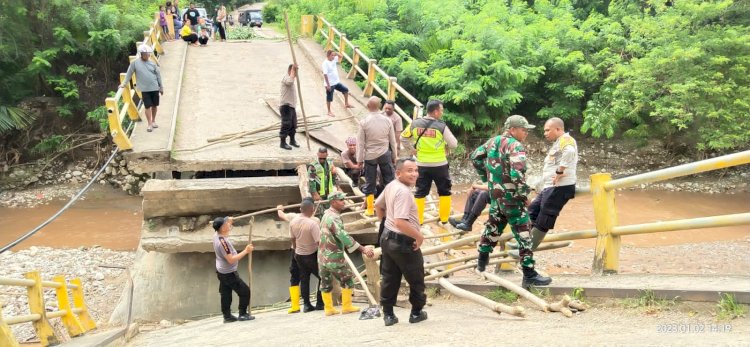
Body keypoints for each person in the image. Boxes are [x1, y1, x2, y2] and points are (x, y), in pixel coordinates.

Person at [471, 115, 551, 288]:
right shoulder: (515, 146)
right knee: (524, 234)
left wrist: (487, 178)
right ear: (513, 129)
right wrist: (525, 196)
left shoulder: (492, 142)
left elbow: (475, 157)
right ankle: (529, 274)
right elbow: (517, 174)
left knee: (493, 227)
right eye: (524, 130)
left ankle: (481, 263)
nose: (526, 133)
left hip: (496, 196)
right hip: (513, 199)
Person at [509, 117, 578, 259]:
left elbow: (570, 152)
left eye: (548, 130)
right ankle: (523, 244)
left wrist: (560, 171)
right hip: (549, 187)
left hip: (560, 187)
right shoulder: (558, 143)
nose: (545, 133)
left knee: (545, 218)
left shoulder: (566, 140)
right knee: (532, 211)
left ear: (558, 129)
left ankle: (527, 250)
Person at [374, 158, 427, 326]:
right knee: (416, 278)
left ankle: (388, 315)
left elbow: (377, 204)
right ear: (398, 173)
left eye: (416, 170)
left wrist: (384, 223)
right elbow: (400, 222)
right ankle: (416, 312)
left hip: (387, 239)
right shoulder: (403, 192)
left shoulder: (391, 185)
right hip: (403, 242)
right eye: (409, 171)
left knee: (389, 277)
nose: (414, 174)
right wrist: (419, 236)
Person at [318, 192, 375, 316]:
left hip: (322, 256)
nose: (344, 201)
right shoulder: (334, 218)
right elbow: (342, 235)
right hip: (333, 255)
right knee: (348, 279)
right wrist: (362, 248)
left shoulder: (326, 214)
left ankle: (328, 309)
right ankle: (346, 306)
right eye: (341, 200)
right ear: (333, 202)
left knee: (325, 282)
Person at [401, 99, 457, 225]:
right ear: (436, 112)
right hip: (439, 164)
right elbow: (454, 144)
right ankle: (444, 219)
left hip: (421, 164)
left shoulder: (415, 124)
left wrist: (412, 150)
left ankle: (418, 220)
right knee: (444, 191)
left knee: (420, 192)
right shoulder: (441, 126)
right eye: (441, 110)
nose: (442, 113)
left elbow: (403, 137)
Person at [277, 199, 323, 313]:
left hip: (297, 253)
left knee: (302, 278)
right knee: (323, 276)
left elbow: (292, 238)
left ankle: (303, 305)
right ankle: (320, 302)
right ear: (313, 209)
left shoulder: (293, 219)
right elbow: (319, 242)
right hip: (311, 253)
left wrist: (279, 208)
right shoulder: (315, 222)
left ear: (300, 208)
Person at [357, 96, 397, 216]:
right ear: (380, 107)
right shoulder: (387, 120)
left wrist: (359, 160)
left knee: (370, 182)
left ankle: (370, 209)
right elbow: (392, 141)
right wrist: (394, 155)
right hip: (384, 153)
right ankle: (390, 207)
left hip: (370, 156)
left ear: (368, 106)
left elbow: (360, 143)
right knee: (389, 181)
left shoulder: (364, 122)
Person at [212, 216, 255, 323]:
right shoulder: (222, 243)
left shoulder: (216, 234)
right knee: (245, 291)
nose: (229, 225)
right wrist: (246, 251)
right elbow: (231, 260)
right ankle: (242, 314)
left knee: (225, 293)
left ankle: (227, 316)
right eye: (226, 224)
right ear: (222, 228)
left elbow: (225, 224)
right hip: (228, 273)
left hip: (221, 271)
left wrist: (228, 220)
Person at [120, 44, 163, 132]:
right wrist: (123, 84)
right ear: (141, 54)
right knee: (147, 106)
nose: (147, 55)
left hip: (154, 87)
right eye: (146, 54)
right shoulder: (135, 63)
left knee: (155, 105)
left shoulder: (152, 64)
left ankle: (154, 121)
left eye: (148, 54)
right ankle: (149, 124)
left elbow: (158, 76)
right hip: (144, 89)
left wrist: (161, 87)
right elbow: (129, 74)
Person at [321, 50, 354, 116]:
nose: (333, 57)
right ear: (328, 55)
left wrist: (336, 53)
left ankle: (346, 104)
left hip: (336, 82)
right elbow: (325, 74)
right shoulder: (325, 63)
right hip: (330, 84)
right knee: (329, 97)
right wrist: (328, 85)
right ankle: (329, 111)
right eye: (332, 55)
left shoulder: (333, 59)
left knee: (345, 90)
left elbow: (341, 56)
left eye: (334, 55)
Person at [307, 147, 337, 217]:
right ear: (317, 154)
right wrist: (314, 193)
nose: (322, 160)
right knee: (320, 211)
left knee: (330, 210)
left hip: (328, 191)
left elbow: (333, 175)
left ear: (327, 155)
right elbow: (311, 180)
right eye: (320, 158)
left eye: (324, 158)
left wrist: (336, 186)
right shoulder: (313, 166)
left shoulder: (330, 162)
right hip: (319, 192)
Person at [279, 64, 300, 150]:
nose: (295, 74)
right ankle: (282, 143)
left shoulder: (292, 80)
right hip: (286, 106)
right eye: (294, 72)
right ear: (290, 71)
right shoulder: (286, 78)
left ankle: (292, 140)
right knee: (286, 124)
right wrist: (293, 71)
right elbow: (289, 82)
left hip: (291, 106)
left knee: (293, 125)